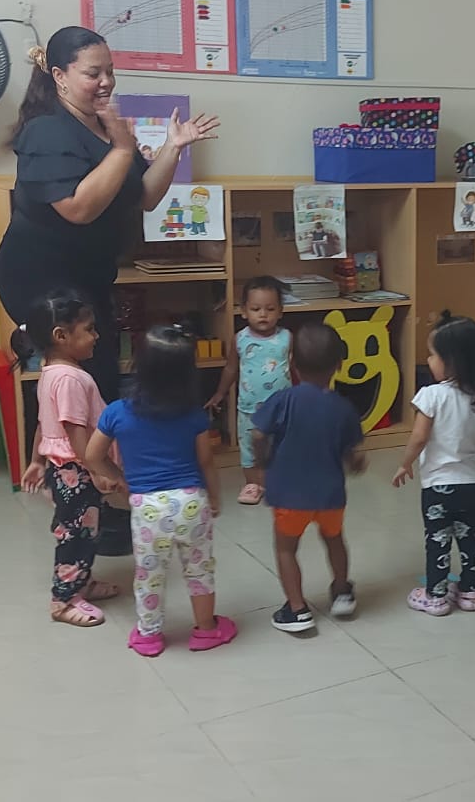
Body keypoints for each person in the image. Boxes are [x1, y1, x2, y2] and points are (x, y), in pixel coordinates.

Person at [0, 26, 220, 554]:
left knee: (98, 383)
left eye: (110, 72)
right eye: (92, 73)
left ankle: (94, 495)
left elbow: (143, 196)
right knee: (77, 384)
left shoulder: (102, 127)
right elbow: (78, 207)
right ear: (59, 76)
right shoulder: (47, 132)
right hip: (42, 280)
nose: (105, 82)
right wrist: (121, 147)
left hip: (88, 277)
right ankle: (79, 500)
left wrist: (172, 148)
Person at [85, 326, 237, 657]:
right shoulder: (194, 414)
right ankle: (206, 630)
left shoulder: (117, 412)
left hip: (147, 508)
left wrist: (119, 479)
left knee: (149, 575)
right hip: (191, 501)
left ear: (139, 365)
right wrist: (214, 496)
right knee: (199, 569)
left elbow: (92, 456)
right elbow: (206, 461)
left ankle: (149, 636)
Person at [12, 290, 125, 628]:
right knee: (75, 537)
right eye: (89, 329)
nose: (96, 336)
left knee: (85, 530)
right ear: (61, 336)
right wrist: (98, 469)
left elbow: (43, 423)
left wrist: (37, 461)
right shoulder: (71, 379)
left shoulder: (49, 371)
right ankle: (63, 600)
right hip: (77, 473)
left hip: (64, 471)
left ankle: (82, 583)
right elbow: (75, 432)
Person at [252, 323, 366, 633]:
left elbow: (259, 434)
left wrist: (263, 459)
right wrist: (355, 463)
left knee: (286, 549)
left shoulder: (283, 400)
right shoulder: (343, 407)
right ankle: (342, 592)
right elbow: (352, 452)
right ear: (339, 365)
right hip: (330, 495)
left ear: (292, 363)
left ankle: (297, 609)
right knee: (334, 540)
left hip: (289, 495)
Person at [392, 313, 475, 615]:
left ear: (452, 362)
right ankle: (470, 592)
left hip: (438, 487)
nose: (429, 360)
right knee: (471, 539)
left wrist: (405, 464)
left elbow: (418, 438)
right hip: (472, 485)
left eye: (433, 355)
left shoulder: (431, 395)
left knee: (438, 540)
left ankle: (436, 596)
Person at [208, 276, 292, 505]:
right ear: (244, 311)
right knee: (249, 449)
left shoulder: (286, 338)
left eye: (270, 309)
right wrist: (220, 393)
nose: (263, 314)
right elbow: (231, 368)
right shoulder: (240, 339)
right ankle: (253, 485)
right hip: (249, 409)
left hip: (282, 409)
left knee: (281, 446)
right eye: (256, 309)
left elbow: (294, 369)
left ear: (280, 311)